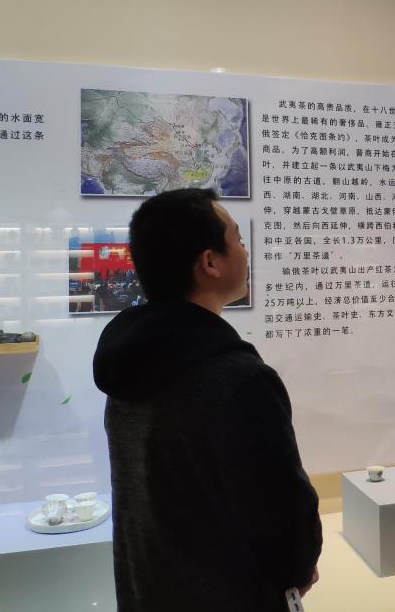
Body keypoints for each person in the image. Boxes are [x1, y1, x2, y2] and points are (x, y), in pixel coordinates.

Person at [93, 188, 322, 611]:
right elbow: (281, 513)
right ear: (210, 262)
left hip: (147, 592)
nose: (245, 251)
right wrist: (298, 566)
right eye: (237, 238)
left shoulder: (127, 364)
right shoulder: (239, 379)